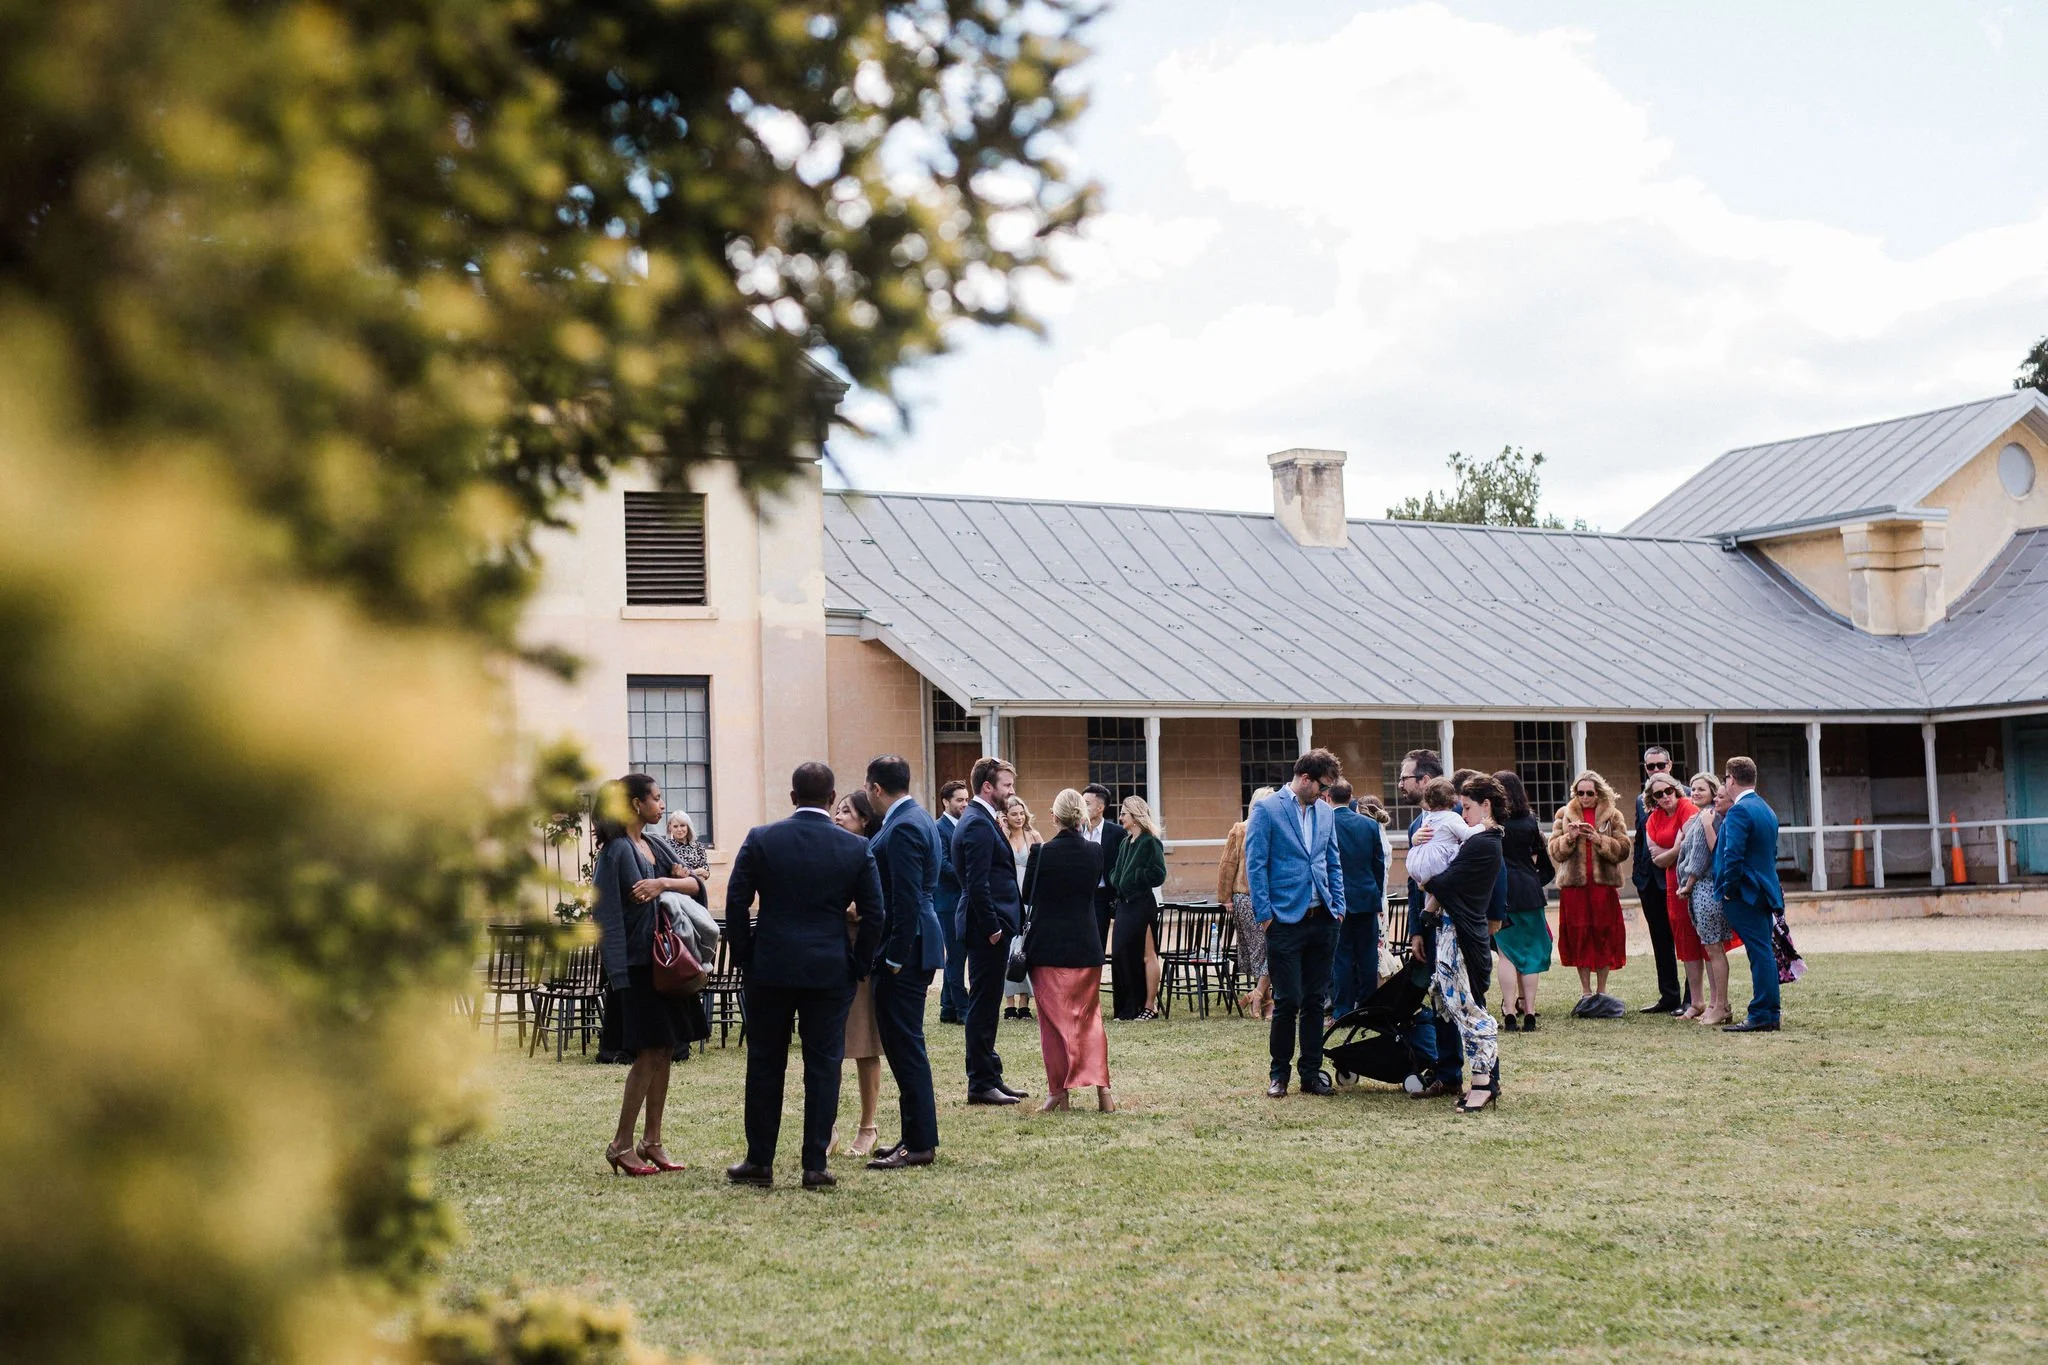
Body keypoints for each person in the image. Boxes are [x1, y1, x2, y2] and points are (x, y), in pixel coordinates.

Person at [724, 762, 884, 1190]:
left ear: (792, 797)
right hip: (829, 966)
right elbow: (876, 914)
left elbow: (736, 902)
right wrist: (858, 963)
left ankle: (759, 1160)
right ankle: (814, 1163)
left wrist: (745, 956)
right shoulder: (853, 848)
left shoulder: (762, 839)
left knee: (764, 1064)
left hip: (770, 966)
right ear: (832, 799)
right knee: (824, 1065)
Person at [590, 774, 709, 1175]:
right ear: (635, 804)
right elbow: (605, 915)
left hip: (668, 963)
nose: (662, 805)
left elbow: (694, 884)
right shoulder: (616, 851)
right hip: (640, 967)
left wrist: (662, 882)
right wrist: (618, 976)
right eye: (656, 799)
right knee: (648, 1053)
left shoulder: (654, 844)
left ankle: (652, 1141)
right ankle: (621, 1144)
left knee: (667, 1048)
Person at [1245, 748, 1347, 1098]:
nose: (1325, 793)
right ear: (1305, 779)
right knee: (1287, 1001)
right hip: (1284, 921)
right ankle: (1279, 1074)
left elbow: (1332, 860)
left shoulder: (1325, 812)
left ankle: (1311, 1073)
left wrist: (1340, 906)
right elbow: (1256, 864)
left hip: (1324, 919)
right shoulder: (1267, 809)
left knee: (1316, 1001)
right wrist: (1266, 916)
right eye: (1322, 786)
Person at [862, 755, 944, 1170]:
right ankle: (915, 1134)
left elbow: (906, 899)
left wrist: (893, 957)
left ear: (876, 788)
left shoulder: (905, 826)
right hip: (912, 944)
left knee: (906, 1045)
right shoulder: (918, 817)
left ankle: (920, 1142)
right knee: (904, 1044)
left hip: (905, 951)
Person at [1409, 774, 1507, 1112]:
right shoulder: (1477, 840)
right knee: (1454, 1005)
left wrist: (1425, 876)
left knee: (1470, 1011)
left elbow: (1442, 883)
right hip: (1452, 932)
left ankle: (1484, 1083)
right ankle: (1481, 1082)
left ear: (1486, 805)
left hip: (1465, 935)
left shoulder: (1484, 842)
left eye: (1466, 808)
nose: (1461, 814)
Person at [1021, 788, 1115, 1113]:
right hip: (1086, 945)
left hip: (1047, 948)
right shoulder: (1095, 853)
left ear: (1054, 817)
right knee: (1090, 1021)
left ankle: (1058, 1091)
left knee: (1053, 1025)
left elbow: (1027, 896)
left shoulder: (1041, 852)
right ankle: (1104, 1092)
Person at [951, 756, 1029, 1104]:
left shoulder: (982, 818)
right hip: (986, 928)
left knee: (989, 1001)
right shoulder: (977, 823)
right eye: (1007, 785)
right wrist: (994, 927)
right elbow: (976, 882)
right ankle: (981, 1084)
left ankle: (991, 1074)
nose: (1011, 792)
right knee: (983, 1005)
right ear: (988, 787)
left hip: (990, 924)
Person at [1395, 747, 1461, 1096]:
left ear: (1424, 780)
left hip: (1456, 922)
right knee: (1436, 997)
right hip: (1429, 925)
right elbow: (1412, 881)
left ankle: (1466, 1073)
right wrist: (1415, 930)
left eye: (1405, 778)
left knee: (1460, 998)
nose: (1400, 785)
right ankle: (1445, 1070)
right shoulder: (1418, 825)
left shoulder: (1457, 817)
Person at [827, 790, 887, 1159]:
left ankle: (868, 1126)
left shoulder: (872, 853)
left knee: (864, 1044)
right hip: (828, 952)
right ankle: (827, 1126)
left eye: (846, 811)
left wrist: (854, 911)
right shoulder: (828, 851)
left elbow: (879, 907)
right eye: (836, 810)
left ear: (864, 819)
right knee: (827, 1046)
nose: (838, 816)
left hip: (859, 951)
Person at [1713, 756, 1787, 1033]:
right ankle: (1767, 1011)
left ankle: (1763, 1013)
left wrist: (1729, 891)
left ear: (1731, 779)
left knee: (1760, 952)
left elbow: (1733, 855)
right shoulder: (1765, 808)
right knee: (1762, 950)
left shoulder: (1739, 811)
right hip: (1762, 889)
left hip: (1746, 893)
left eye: (1725, 779)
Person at [1547, 770, 1632, 1012]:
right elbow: (1554, 851)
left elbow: (1624, 849)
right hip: (1575, 887)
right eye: (1580, 793)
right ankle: (1585, 991)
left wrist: (1598, 839)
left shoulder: (1613, 815)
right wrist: (1569, 838)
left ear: (1598, 793)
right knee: (1579, 935)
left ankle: (1602, 991)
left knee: (1604, 934)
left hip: (1602, 887)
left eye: (1589, 793)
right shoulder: (1563, 815)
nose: (1585, 797)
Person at [1491, 771, 1554, 1032]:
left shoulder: (1494, 822)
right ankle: (1528, 1011)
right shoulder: (1530, 821)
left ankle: (1508, 1009)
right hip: (1529, 890)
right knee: (1529, 955)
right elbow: (1544, 862)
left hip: (1503, 889)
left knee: (1506, 954)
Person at [1643, 772, 1708, 1020]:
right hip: (1673, 884)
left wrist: (1672, 851)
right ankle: (1696, 1002)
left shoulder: (1688, 807)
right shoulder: (1654, 819)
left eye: (1668, 791)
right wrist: (1677, 847)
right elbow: (1657, 859)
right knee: (1684, 941)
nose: (1665, 797)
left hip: (1694, 882)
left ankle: (1705, 1000)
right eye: (1658, 794)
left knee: (1703, 940)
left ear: (1676, 789)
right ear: (1653, 798)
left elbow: (1694, 847)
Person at [1675, 772, 1735, 1027]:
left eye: (1701, 789)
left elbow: (1700, 856)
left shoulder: (1708, 817)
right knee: (1712, 949)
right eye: (1692, 788)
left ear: (1712, 792)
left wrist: (1687, 885)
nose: (1695, 792)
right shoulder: (1702, 817)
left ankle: (1720, 1005)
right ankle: (1715, 1003)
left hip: (1705, 889)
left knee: (1713, 950)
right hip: (1704, 889)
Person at [1632, 745, 1685, 1013]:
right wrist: (1638, 874)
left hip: (1676, 878)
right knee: (1660, 939)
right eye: (1650, 767)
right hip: (1649, 880)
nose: (1655, 771)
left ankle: (1690, 998)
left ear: (1670, 766)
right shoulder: (1641, 800)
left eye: (1660, 766)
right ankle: (1669, 996)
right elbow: (1641, 840)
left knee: (1685, 938)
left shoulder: (1682, 796)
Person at [1328, 780, 1387, 1021]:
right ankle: (1367, 1006)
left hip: (1337, 899)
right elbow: (1378, 865)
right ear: (1351, 796)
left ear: (1328, 797)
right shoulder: (1370, 826)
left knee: (1341, 957)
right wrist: (1375, 893)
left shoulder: (1326, 824)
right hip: (1365, 896)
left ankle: (1342, 1009)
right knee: (1367, 955)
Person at [1216, 786, 1275, 1019]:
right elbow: (1227, 864)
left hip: (1273, 897)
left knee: (1273, 947)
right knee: (1260, 949)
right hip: (1245, 896)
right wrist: (1225, 897)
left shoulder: (1276, 829)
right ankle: (1266, 1000)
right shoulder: (1240, 830)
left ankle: (1259, 996)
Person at [1108, 795, 1167, 1020]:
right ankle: (1127, 1008)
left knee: (1147, 955)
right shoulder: (1125, 842)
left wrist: (1134, 877)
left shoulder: (1150, 841)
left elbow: (1158, 874)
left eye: (1124, 813)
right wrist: (1118, 879)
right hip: (1124, 906)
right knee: (1122, 955)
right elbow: (1115, 870)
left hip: (1142, 904)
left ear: (1135, 815)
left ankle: (1149, 1006)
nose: (1121, 816)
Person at [1001, 794, 1042, 1020]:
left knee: (1024, 947)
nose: (1018, 817)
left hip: (1029, 895)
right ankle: (1009, 1002)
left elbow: (1043, 865)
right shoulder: (1002, 836)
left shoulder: (1033, 835)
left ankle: (1025, 1002)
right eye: (1013, 813)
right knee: (1009, 949)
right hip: (1008, 893)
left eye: (1021, 813)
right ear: (1005, 816)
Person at [934, 780, 970, 1025]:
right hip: (948, 901)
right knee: (957, 955)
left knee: (957, 954)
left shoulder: (965, 826)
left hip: (962, 899)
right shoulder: (939, 828)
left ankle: (947, 1008)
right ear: (945, 802)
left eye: (966, 799)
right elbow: (942, 864)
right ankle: (962, 1009)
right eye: (959, 800)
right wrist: (969, 879)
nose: (964, 804)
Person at [1081, 783, 1125, 952]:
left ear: (1100, 807)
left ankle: (1094, 978)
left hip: (1102, 897)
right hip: (1078, 896)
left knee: (1097, 944)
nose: (1082, 807)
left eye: (1087, 803)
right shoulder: (1076, 830)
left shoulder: (1117, 833)